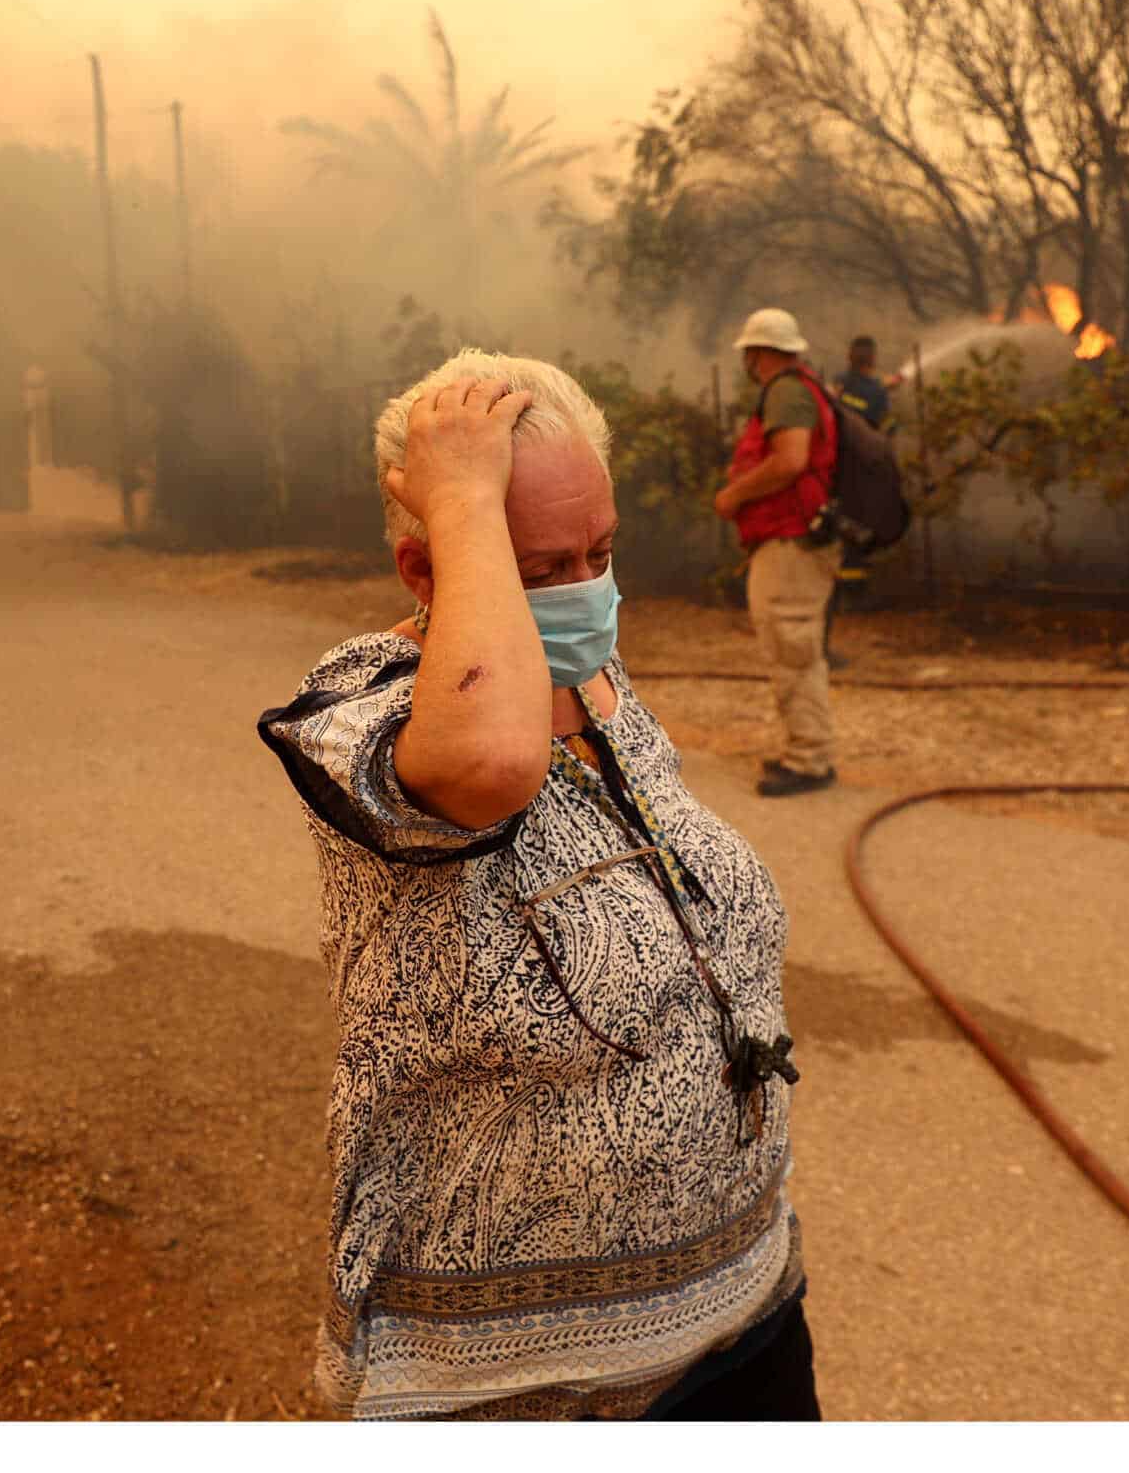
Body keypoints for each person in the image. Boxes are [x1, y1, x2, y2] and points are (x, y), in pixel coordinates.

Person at [255, 351, 817, 1422]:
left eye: (601, 552)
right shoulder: (364, 708)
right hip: (531, 1387)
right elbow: (490, 770)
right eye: (539, 566)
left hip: (744, 1313)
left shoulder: (598, 684)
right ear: (429, 568)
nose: (588, 589)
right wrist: (462, 493)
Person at [714, 308, 841, 797]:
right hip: (789, 540)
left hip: (791, 542)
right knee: (792, 648)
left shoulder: (787, 391)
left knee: (793, 650)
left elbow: (790, 460)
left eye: (750, 352)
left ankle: (809, 761)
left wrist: (734, 495)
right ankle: (804, 749)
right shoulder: (799, 388)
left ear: (759, 353)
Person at [825, 336, 907, 666]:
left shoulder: (839, 385)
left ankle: (841, 592)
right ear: (871, 357)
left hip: (836, 465)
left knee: (838, 527)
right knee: (860, 526)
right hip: (864, 468)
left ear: (849, 356)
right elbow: (884, 426)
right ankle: (854, 593)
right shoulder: (877, 391)